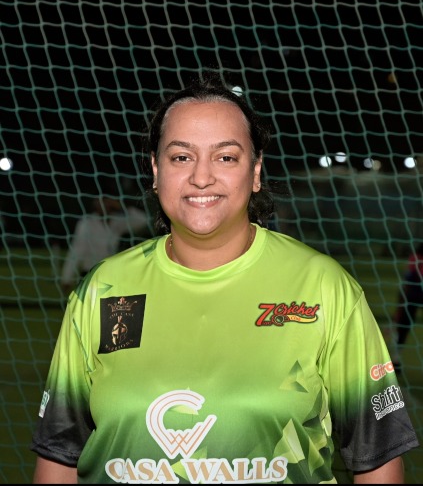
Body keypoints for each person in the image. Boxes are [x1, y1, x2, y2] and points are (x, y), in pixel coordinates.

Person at [31, 76, 419, 484]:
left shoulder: (322, 287)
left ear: (256, 171)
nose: (202, 177)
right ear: (156, 170)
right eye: (182, 157)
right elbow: (59, 457)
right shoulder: (103, 290)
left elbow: (378, 460)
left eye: (226, 157)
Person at [60, 195, 150, 296]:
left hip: (110, 274)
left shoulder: (117, 221)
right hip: (90, 274)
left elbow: (143, 220)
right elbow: (76, 251)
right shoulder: (87, 223)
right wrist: (67, 278)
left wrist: (121, 206)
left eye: (107, 202)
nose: (104, 205)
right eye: (102, 201)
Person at [392, 242, 423, 373]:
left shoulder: (414, 258)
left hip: (412, 295)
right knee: (403, 327)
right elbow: (408, 279)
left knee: (403, 327)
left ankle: (395, 359)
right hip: (413, 295)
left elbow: (407, 280)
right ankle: (395, 359)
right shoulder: (416, 258)